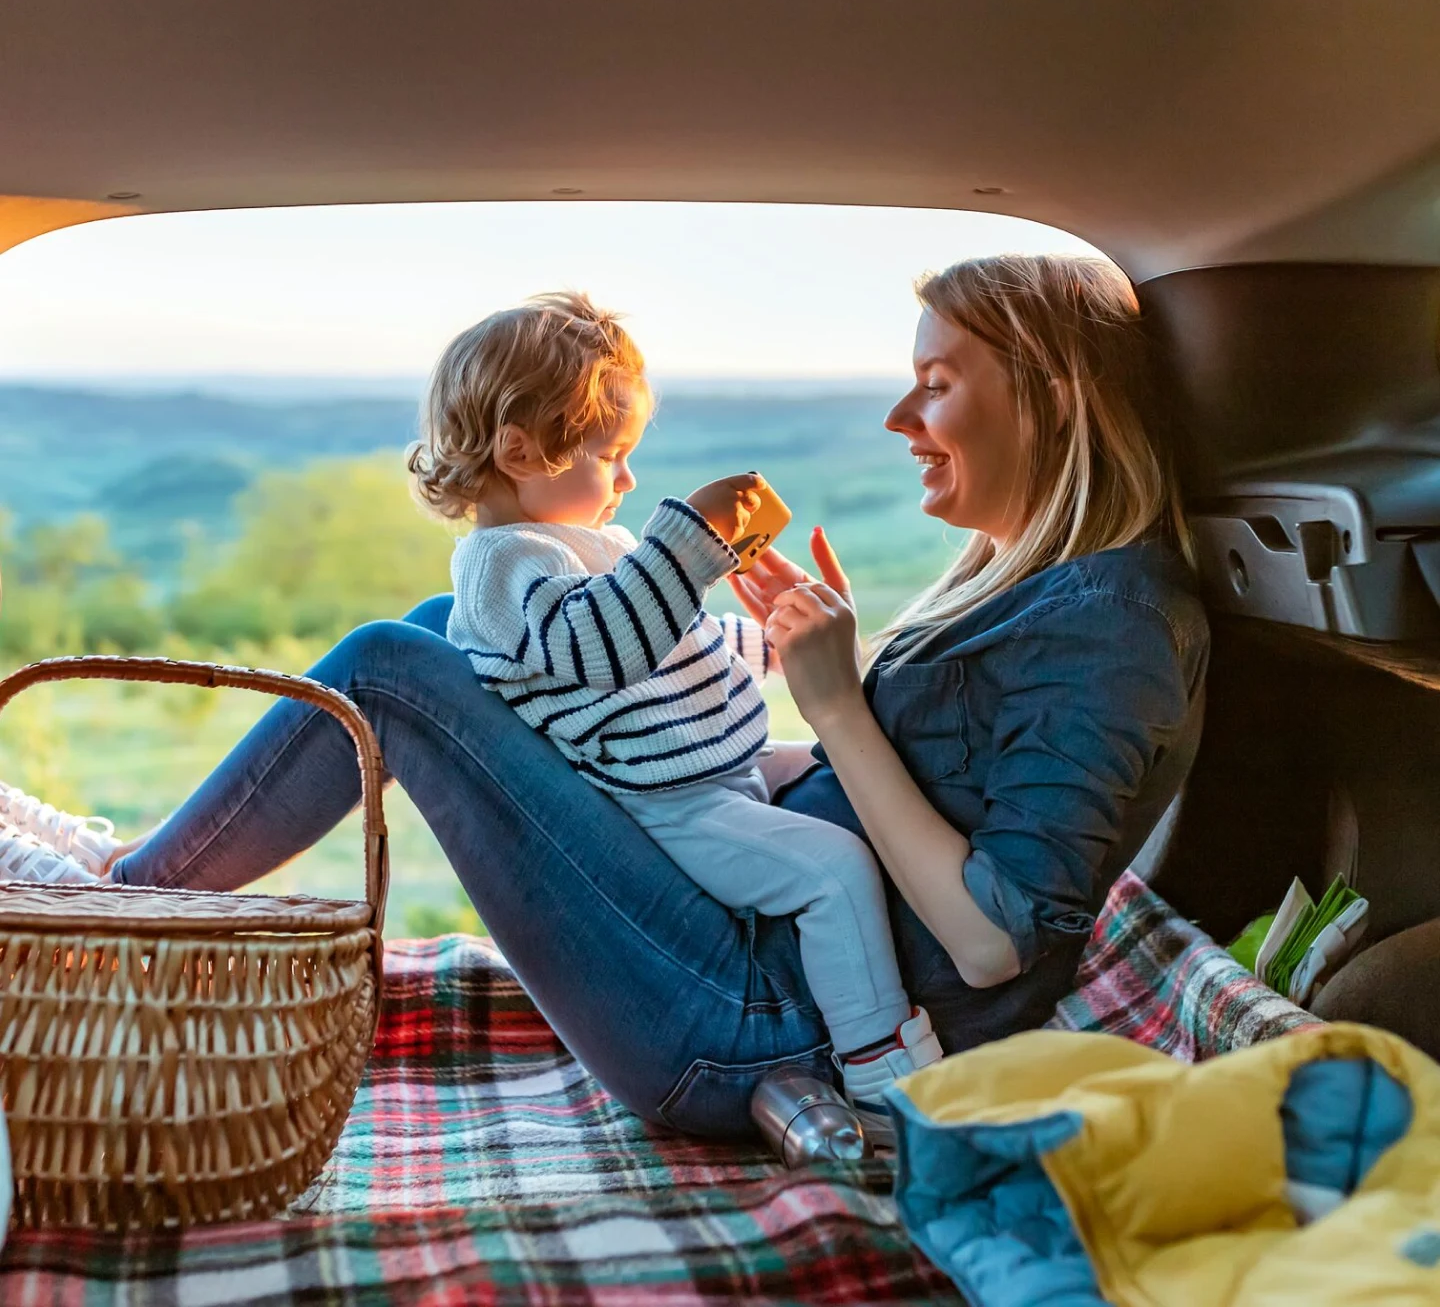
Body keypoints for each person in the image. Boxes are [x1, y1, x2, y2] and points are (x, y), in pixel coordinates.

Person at [8, 253, 1208, 1142]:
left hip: (768, 1018)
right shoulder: (1036, 586)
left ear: (1050, 394)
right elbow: (878, 786)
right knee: (451, 637)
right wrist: (796, 681)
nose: (900, 418)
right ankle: (136, 885)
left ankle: (120, 910)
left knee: (390, 661)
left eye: (938, 385)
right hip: (745, 936)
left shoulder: (1111, 625)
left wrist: (839, 708)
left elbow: (994, 939)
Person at [413, 294, 942, 1125]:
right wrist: (689, 542)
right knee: (833, 870)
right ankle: (881, 1069)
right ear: (520, 450)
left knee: (861, 772)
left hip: (714, 766)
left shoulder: (597, 548)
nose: (625, 480)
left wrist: (784, 635)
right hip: (670, 804)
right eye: (607, 454)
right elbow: (605, 645)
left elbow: (682, 645)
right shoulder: (501, 568)